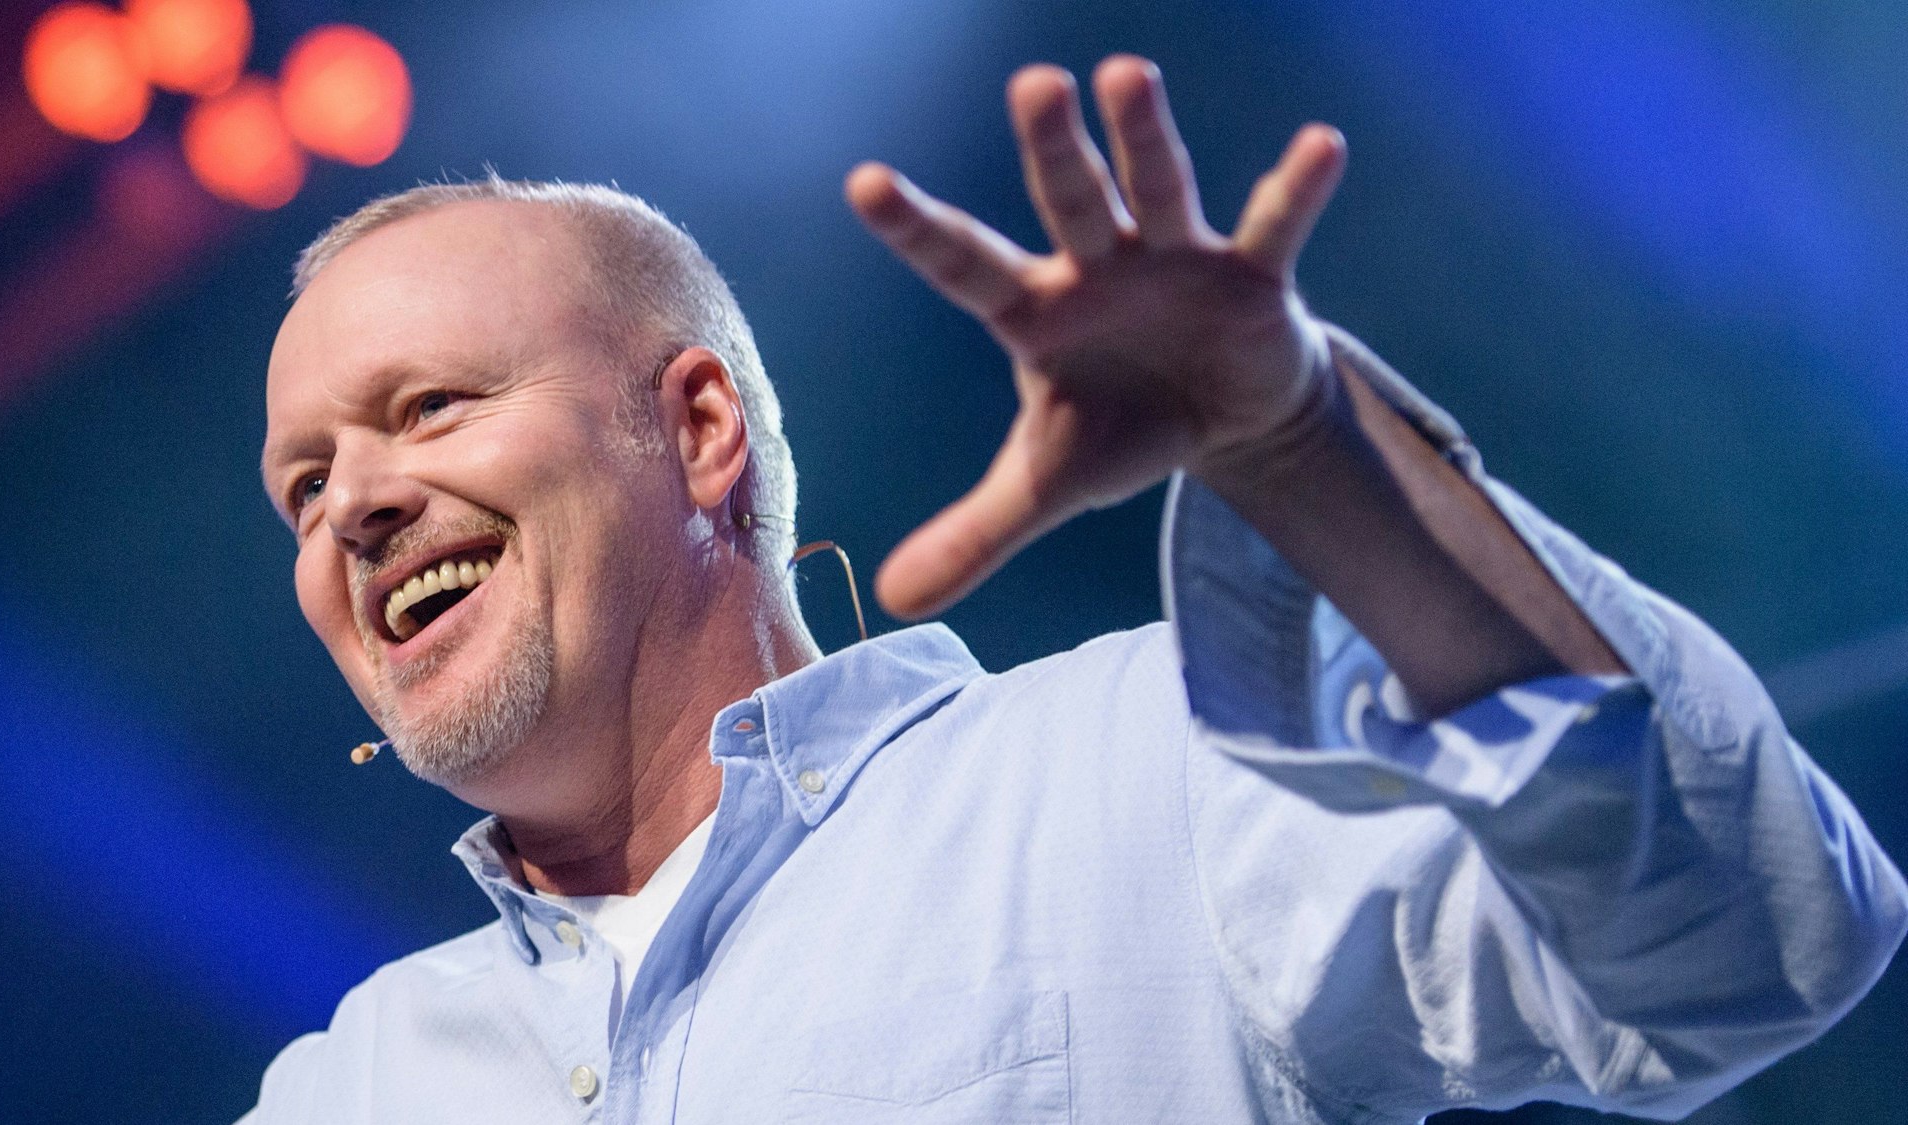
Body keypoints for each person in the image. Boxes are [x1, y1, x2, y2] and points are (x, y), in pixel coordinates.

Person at [245, 56, 1904, 1124]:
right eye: (304, 485)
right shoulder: (362, 1075)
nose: (357, 508)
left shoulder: (1137, 774)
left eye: (430, 408)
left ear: (694, 428)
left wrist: (1308, 443)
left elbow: (1750, 938)